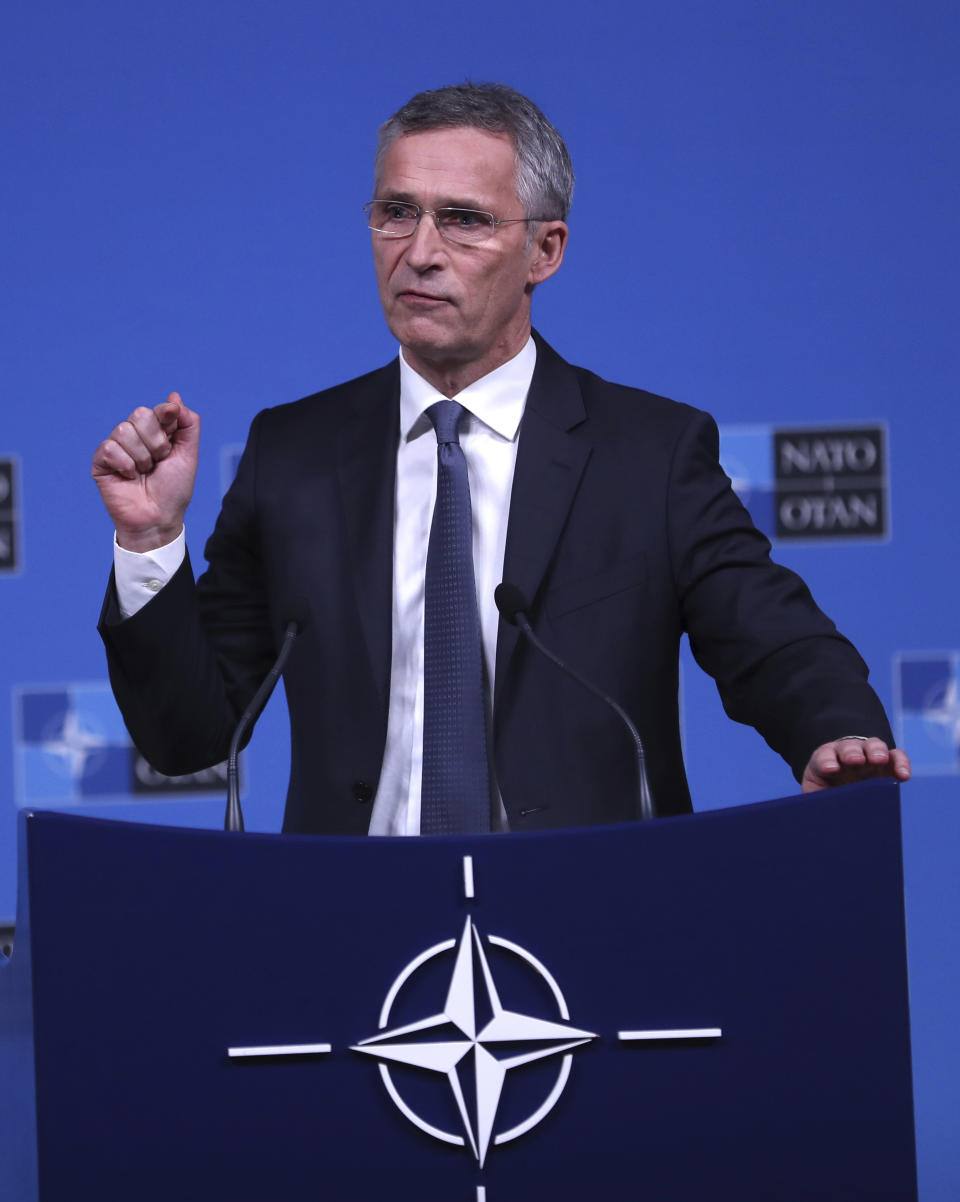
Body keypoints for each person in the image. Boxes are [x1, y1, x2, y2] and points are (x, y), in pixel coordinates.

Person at [92, 83, 910, 836]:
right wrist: (151, 541)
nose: (419, 251)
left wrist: (835, 731)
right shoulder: (293, 454)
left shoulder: (649, 454)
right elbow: (189, 736)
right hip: (351, 931)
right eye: (396, 212)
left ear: (545, 250)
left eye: (465, 220)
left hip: (588, 921)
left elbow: (773, 639)